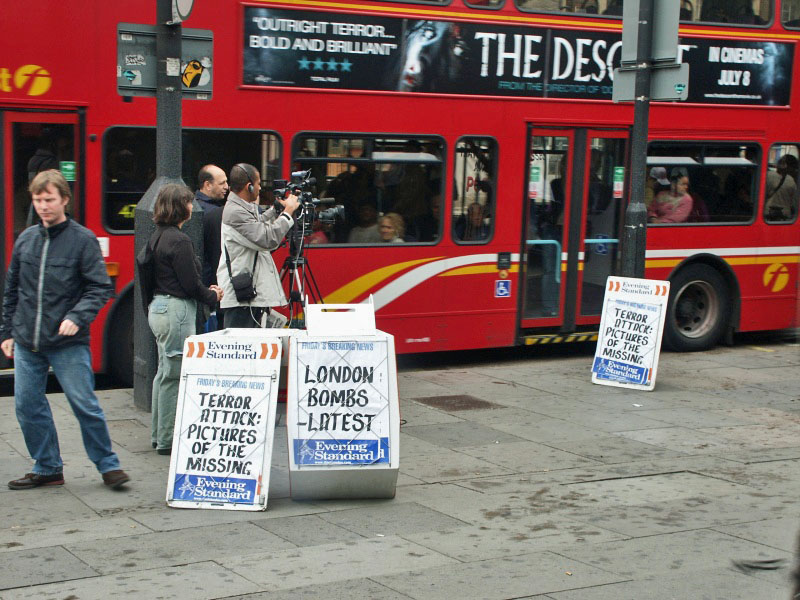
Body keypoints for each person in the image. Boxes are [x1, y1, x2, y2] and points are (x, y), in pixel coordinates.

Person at [1, 170, 129, 490]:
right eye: (38, 200)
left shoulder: (82, 239)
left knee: (83, 403)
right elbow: (12, 289)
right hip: (28, 340)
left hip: (67, 342)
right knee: (27, 406)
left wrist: (77, 316)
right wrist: (6, 332)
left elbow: (99, 288)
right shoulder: (26, 239)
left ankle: (108, 465)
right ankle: (47, 467)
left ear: (64, 200)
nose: (43, 206)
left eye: (49, 200)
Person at [147, 184, 223, 454]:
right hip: (176, 311)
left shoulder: (157, 236)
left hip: (158, 309)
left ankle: (158, 435)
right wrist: (213, 295)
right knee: (175, 376)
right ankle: (167, 441)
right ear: (180, 207)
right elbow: (191, 284)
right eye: (189, 202)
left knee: (163, 374)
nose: (193, 207)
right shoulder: (180, 241)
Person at [217, 163, 299, 328]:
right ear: (249, 187)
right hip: (241, 297)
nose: (260, 188)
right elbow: (266, 239)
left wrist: (275, 210)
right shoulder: (235, 212)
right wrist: (288, 213)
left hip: (248, 295)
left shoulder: (242, 207)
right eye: (258, 183)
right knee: (240, 349)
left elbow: (257, 224)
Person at [194, 165, 229, 329]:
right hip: (211, 286)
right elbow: (217, 254)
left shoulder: (195, 206)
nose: (227, 187)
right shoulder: (214, 214)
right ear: (207, 185)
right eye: (222, 183)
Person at [764, 155, 798, 221]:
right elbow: (794, 203)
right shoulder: (792, 181)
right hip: (784, 215)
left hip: (768, 213)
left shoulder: (768, 175)